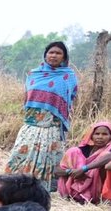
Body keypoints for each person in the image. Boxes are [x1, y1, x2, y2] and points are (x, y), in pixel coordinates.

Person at [6, 40, 79, 190]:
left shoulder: (68, 76)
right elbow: (27, 97)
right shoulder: (34, 74)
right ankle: (15, 183)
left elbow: (70, 98)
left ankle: (40, 188)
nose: (54, 56)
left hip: (52, 125)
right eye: (51, 52)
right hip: (31, 123)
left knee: (47, 156)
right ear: (45, 55)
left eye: (58, 53)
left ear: (64, 57)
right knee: (20, 152)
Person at [56, 121, 111, 204]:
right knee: (73, 151)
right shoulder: (82, 149)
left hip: (97, 190)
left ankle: (94, 197)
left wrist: (84, 169)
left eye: (104, 134)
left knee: (105, 156)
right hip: (75, 184)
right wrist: (72, 172)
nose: (100, 137)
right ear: (91, 136)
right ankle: (72, 194)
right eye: (97, 134)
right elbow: (57, 171)